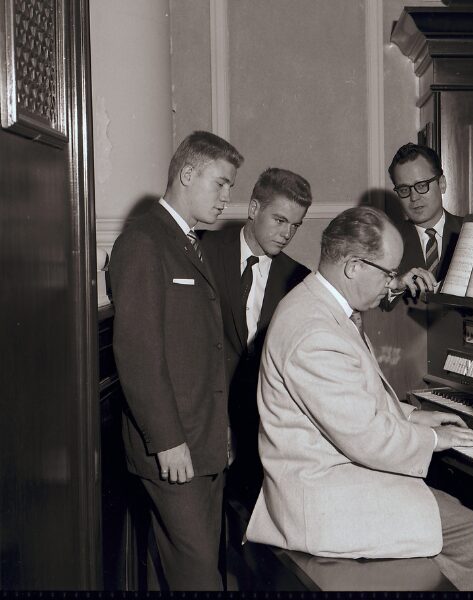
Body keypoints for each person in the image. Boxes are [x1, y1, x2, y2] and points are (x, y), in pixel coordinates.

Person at [245, 206, 473, 591]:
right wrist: (437, 439)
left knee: (454, 507)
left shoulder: (319, 305)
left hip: (334, 479)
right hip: (325, 502)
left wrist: (412, 416)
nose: (391, 285)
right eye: (388, 273)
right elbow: (368, 438)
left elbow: (351, 398)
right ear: (354, 266)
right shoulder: (315, 332)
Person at [110, 130, 243, 591]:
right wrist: (168, 441)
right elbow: (138, 354)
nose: (227, 198)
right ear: (187, 174)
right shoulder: (144, 241)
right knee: (199, 576)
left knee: (181, 570)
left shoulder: (187, 242)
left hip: (203, 441)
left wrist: (220, 431)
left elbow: (204, 352)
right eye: (221, 183)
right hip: (173, 447)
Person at [201, 168, 311, 587]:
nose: (287, 234)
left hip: (262, 428)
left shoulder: (298, 277)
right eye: (279, 220)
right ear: (253, 208)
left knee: (254, 550)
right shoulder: (202, 251)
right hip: (205, 419)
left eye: (295, 225)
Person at [383, 143, 463, 303]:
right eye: (404, 190)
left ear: (442, 184)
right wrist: (396, 285)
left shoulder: (472, 231)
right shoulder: (385, 241)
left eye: (421, 186)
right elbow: (369, 298)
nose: (414, 198)